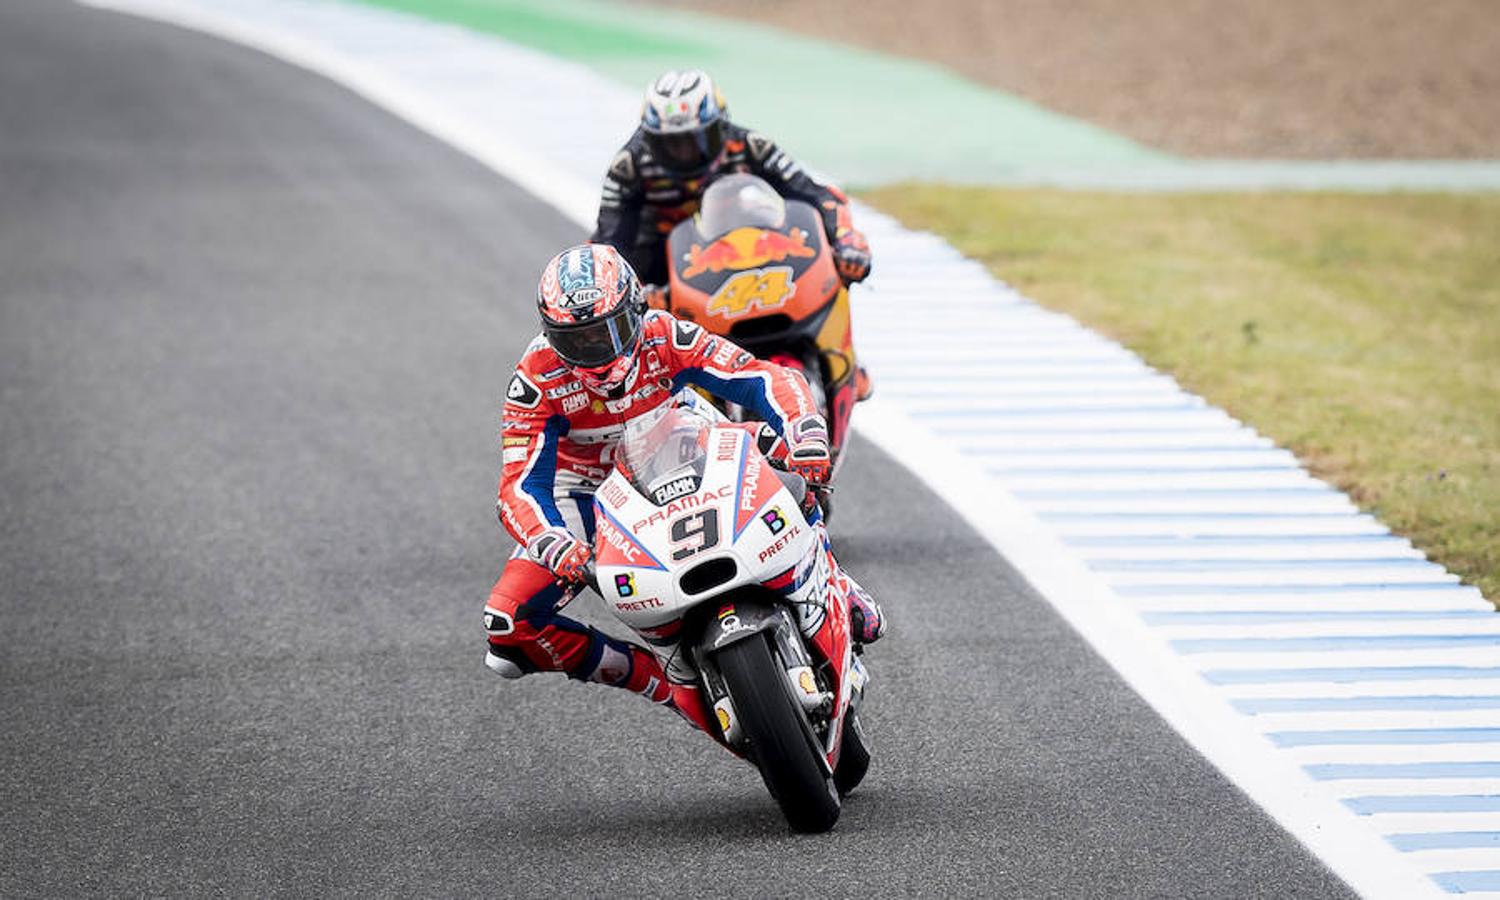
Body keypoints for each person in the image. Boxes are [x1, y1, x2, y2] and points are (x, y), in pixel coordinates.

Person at [484, 244, 884, 740]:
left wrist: (805, 430)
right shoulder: (535, 379)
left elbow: (759, 377)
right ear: (552, 336)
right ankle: (658, 680)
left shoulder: (664, 333)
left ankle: (834, 582)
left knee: (788, 462)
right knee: (508, 624)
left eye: (611, 331)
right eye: (581, 340)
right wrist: (552, 542)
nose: (600, 351)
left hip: (681, 443)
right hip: (585, 492)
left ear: (635, 311)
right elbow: (519, 484)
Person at [590, 68, 873, 399]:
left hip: (739, 237)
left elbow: (815, 195)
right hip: (662, 251)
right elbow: (610, 239)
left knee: (834, 262)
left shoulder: (750, 146)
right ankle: (640, 395)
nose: (683, 153)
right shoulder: (630, 165)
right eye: (668, 144)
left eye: (694, 140)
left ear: (719, 126)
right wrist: (634, 293)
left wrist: (846, 239)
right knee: (614, 311)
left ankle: (843, 357)